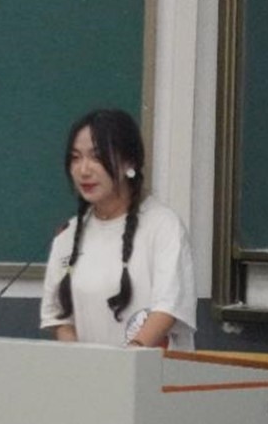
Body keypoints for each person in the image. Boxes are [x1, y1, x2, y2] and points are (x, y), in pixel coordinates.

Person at [40, 108, 196, 350]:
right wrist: (78, 361)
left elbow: (168, 308)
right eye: (75, 158)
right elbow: (59, 317)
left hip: (149, 370)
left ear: (129, 162)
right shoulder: (68, 236)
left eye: (97, 157)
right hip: (89, 372)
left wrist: (127, 360)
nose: (84, 170)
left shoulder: (163, 226)